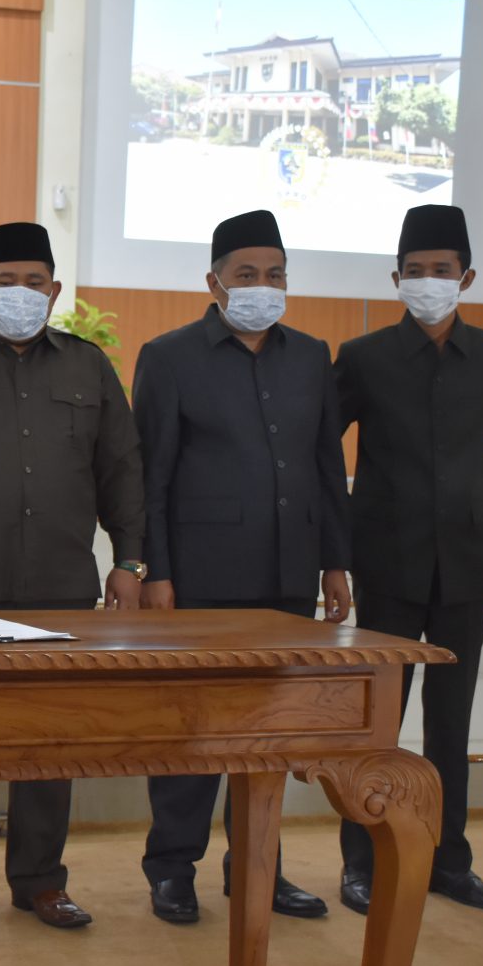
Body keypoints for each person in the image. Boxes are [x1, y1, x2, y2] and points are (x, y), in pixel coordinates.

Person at [0, 222, 145, 932]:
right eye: (5, 281)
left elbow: (121, 470)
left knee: (49, 740)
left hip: (59, 584)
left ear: (55, 289)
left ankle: (41, 881)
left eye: (34, 282)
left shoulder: (88, 366)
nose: (21, 293)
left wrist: (130, 561)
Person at [133, 209, 350, 925]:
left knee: (271, 729)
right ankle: (172, 868)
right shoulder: (169, 356)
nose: (263, 286)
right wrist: (156, 572)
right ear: (215, 282)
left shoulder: (311, 355)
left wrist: (335, 562)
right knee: (192, 727)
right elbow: (152, 477)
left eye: (276, 274)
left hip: (289, 574)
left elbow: (327, 465)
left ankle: (260, 866)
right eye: (248, 274)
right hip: (200, 578)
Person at [333, 205, 483, 915]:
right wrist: (345, 542)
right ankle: (361, 864)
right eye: (413, 271)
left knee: (452, 725)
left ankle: (450, 862)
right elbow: (324, 452)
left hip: (468, 570)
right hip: (387, 565)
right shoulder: (364, 357)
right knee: (379, 724)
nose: (427, 281)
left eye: (440, 270)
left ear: (466, 278)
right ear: (396, 279)